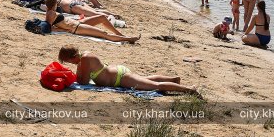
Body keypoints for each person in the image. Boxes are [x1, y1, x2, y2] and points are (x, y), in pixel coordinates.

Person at [58, 46, 198, 94]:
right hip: (117, 72)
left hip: (120, 78)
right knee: (145, 78)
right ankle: (173, 80)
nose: (69, 63)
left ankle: (189, 89)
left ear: (72, 57)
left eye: (68, 61)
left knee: (155, 86)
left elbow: (82, 82)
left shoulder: (84, 61)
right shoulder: (84, 55)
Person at [44, 0, 139, 43]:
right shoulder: (51, 13)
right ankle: (129, 39)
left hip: (76, 23)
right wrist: (63, 30)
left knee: (102, 18)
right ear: (54, 4)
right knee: (104, 34)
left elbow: (51, 24)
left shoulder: (50, 12)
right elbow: (49, 27)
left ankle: (120, 35)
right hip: (76, 28)